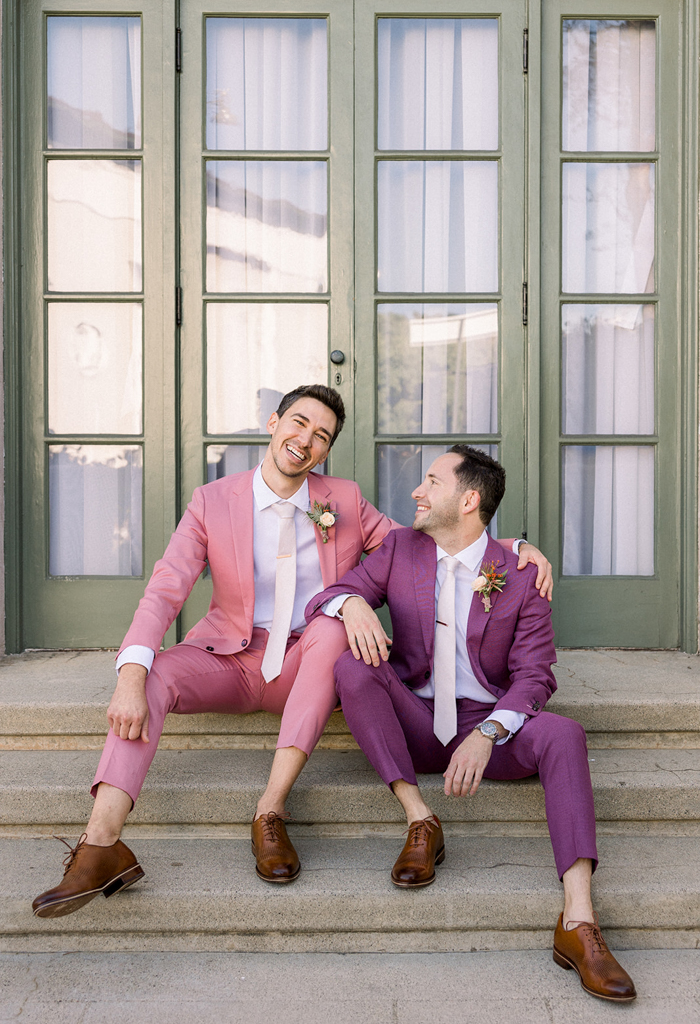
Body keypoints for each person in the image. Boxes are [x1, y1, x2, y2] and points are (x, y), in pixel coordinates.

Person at [32, 386, 551, 919]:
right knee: (152, 677)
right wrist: (131, 673)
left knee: (329, 626)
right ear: (273, 422)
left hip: (308, 663)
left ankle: (270, 810)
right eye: (298, 423)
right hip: (229, 658)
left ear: (326, 451)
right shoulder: (213, 501)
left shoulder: (343, 500)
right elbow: (167, 587)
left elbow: (427, 543)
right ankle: (101, 844)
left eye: (321, 436)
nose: (305, 440)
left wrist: (508, 548)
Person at [305, 444, 636, 1004]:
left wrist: (489, 733)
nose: (416, 491)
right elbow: (329, 594)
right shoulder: (400, 550)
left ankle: (578, 922)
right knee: (351, 668)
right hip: (414, 722)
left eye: (431, 481)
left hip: (485, 724)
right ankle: (420, 819)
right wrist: (352, 605)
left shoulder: (520, 574)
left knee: (565, 734)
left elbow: (536, 677)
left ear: (469, 499)